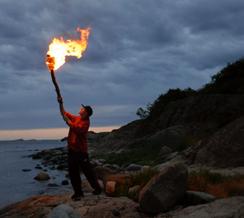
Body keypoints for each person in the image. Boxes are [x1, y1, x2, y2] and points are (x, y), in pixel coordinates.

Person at [57, 96, 102, 201]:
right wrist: (60, 103)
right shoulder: (77, 118)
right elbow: (64, 113)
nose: (80, 109)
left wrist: (67, 121)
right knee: (73, 173)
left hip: (81, 153)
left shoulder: (86, 123)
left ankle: (97, 188)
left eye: (82, 109)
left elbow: (76, 129)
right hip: (72, 151)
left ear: (86, 113)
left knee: (88, 172)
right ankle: (78, 193)